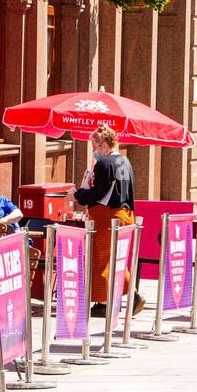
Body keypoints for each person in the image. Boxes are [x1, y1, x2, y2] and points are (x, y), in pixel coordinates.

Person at [68, 125, 145, 317]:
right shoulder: (126, 161)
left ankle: (104, 302)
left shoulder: (103, 164)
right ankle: (128, 296)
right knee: (116, 258)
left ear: (102, 144)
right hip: (126, 214)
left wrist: (78, 196)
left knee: (102, 259)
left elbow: (99, 192)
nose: (94, 151)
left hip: (108, 215)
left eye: (94, 146)